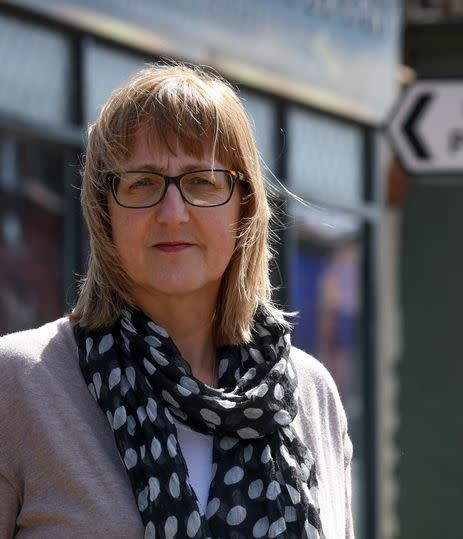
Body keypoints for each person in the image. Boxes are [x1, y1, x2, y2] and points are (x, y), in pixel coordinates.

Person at [0, 63, 353, 538]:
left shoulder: (310, 394)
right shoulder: (20, 384)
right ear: (105, 211)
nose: (171, 213)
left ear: (243, 206)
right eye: (141, 183)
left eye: (201, 182)